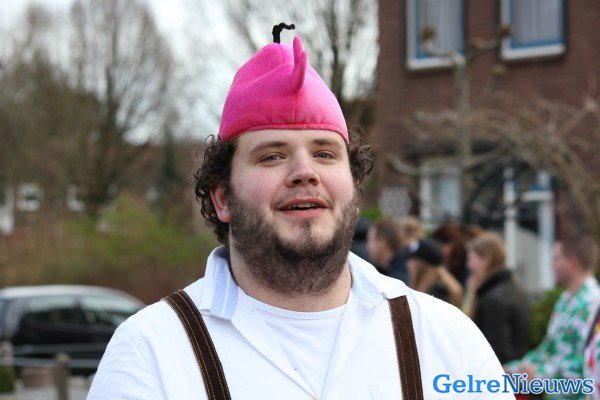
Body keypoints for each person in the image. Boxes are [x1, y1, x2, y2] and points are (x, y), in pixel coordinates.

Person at [88, 26, 512, 399]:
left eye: (325, 153)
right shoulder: (151, 352)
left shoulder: (447, 339)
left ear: (354, 186)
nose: (305, 172)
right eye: (272, 156)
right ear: (222, 198)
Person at [505, 234, 600, 400]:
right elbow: (549, 348)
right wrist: (515, 368)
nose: (551, 265)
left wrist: (540, 374)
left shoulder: (593, 304)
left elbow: (588, 361)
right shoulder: (565, 299)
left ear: (573, 262)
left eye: (556, 258)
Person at [465, 232, 530, 365]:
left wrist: (471, 295)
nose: (468, 265)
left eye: (471, 259)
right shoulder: (512, 286)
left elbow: (498, 353)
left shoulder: (493, 299)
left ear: (486, 259)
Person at [407, 238, 464, 307]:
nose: (409, 264)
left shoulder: (437, 295)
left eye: (413, 260)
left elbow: (457, 293)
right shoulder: (409, 282)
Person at [366, 217, 409, 283]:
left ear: (382, 242)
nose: (367, 246)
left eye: (370, 240)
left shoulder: (396, 281)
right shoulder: (388, 270)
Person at [432, 220, 470, 287]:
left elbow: (459, 291)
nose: (436, 249)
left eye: (438, 244)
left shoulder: (466, 265)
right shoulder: (448, 261)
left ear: (451, 244)